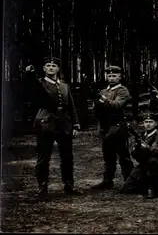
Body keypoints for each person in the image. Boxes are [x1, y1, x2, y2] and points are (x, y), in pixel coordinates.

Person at [24, 57, 83, 199]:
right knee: (44, 157)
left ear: (58, 69)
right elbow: (31, 89)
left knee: (67, 157)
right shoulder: (39, 84)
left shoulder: (64, 86)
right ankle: (42, 188)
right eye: (48, 65)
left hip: (64, 124)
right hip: (46, 123)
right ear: (44, 68)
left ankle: (69, 185)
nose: (51, 68)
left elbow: (71, 107)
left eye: (54, 65)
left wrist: (75, 124)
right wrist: (29, 74)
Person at [91, 65, 134, 190]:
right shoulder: (104, 91)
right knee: (108, 155)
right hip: (105, 126)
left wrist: (101, 99)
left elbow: (117, 105)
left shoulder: (122, 90)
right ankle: (107, 180)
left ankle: (129, 181)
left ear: (120, 77)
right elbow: (96, 109)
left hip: (117, 126)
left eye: (114, 75)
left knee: (123, 155)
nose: (111, 78)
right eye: (109, 76)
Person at [120, 111, 158, 199]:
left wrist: (142, 145)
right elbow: (134, 154)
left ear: (156, 123)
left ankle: (154, 187)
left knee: (152, 162)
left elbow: (154, 151)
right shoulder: (142, 135)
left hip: (157, 165)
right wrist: (137, 148)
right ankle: (144, 185)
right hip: (144, 164)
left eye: (151, 122)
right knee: (127, 188)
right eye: (146, 122)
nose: (148, 124)